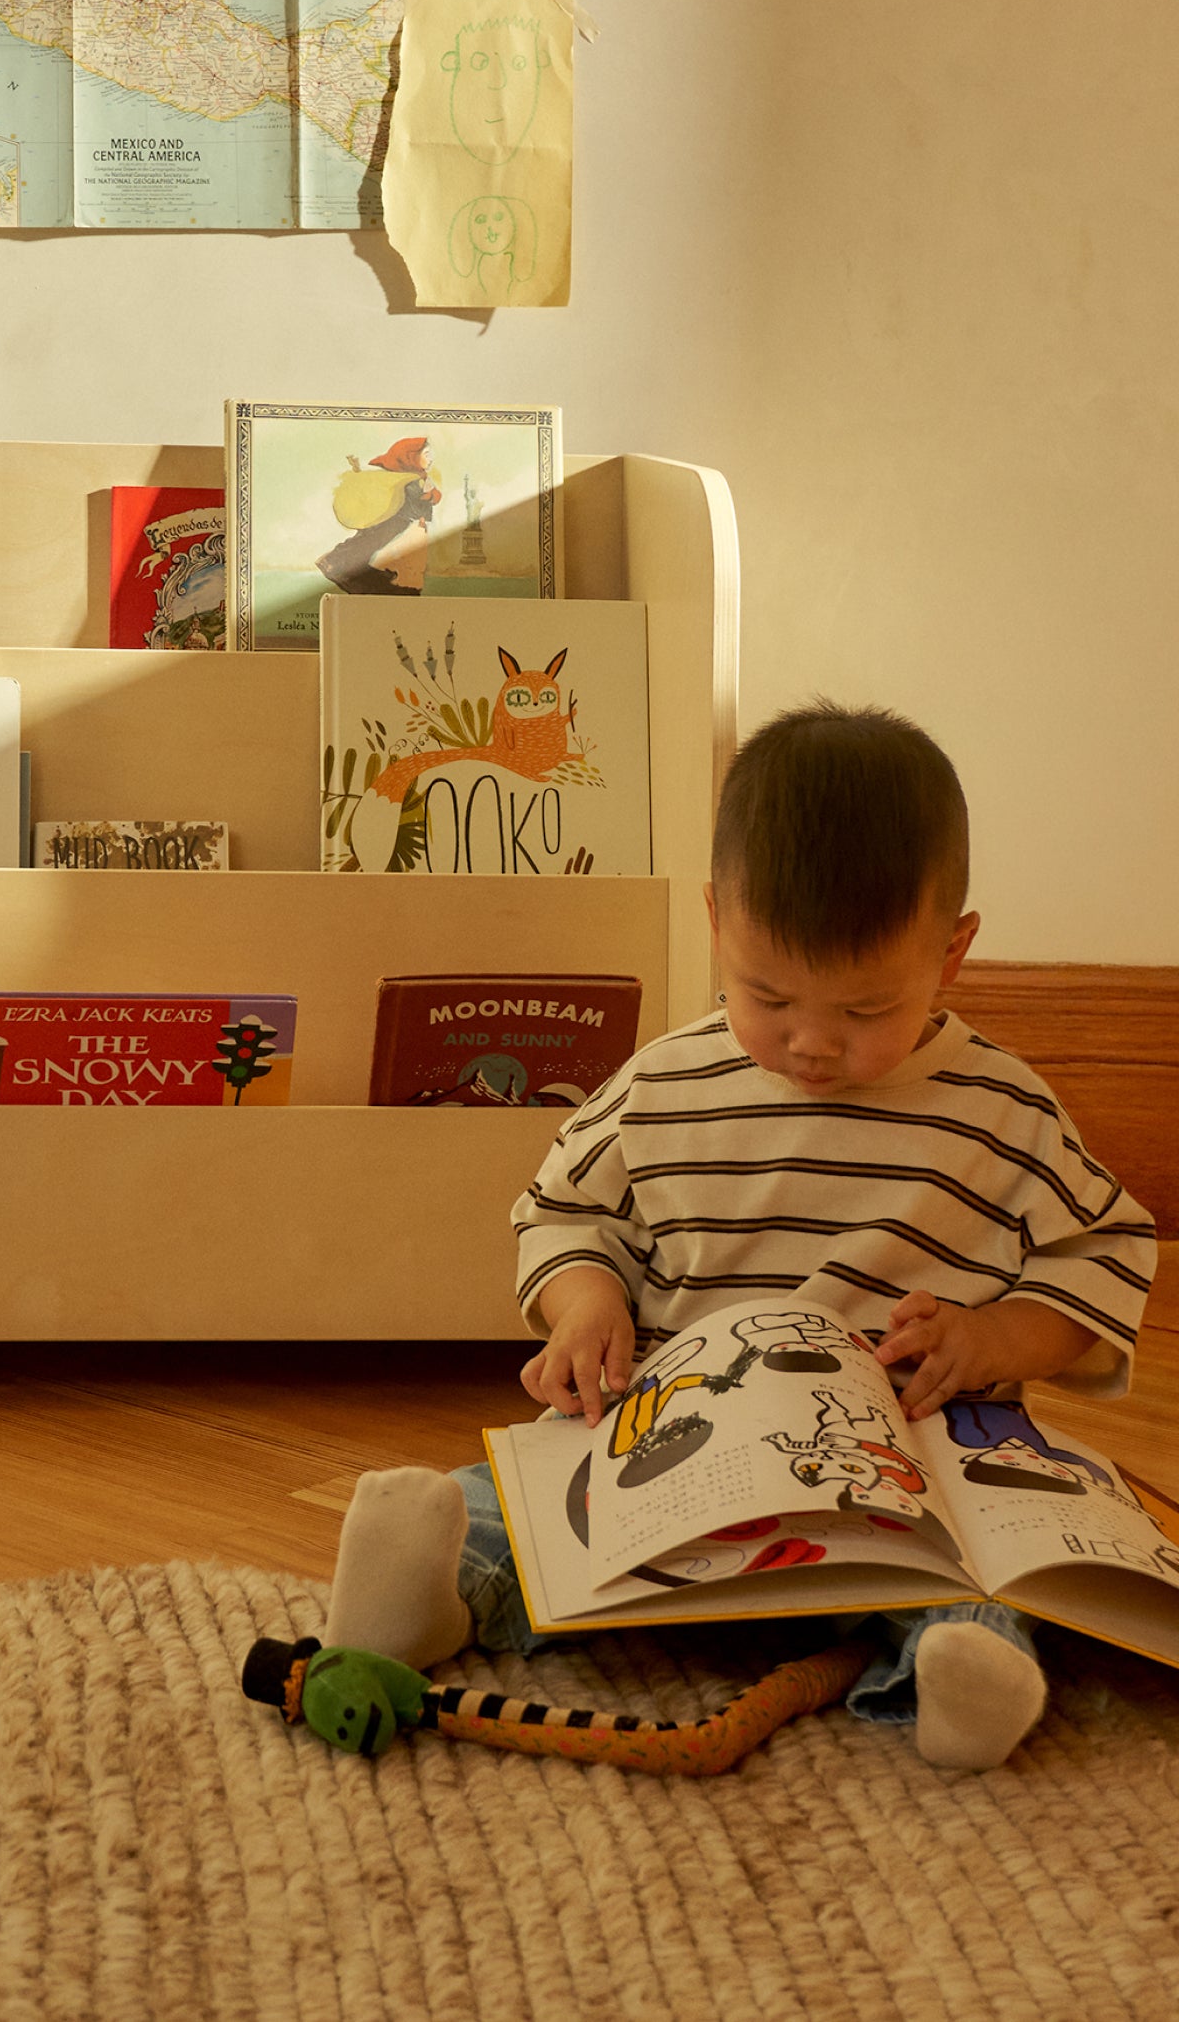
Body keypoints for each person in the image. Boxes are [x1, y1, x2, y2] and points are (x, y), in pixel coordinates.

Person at [322, 703, 1156, 1770]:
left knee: (981, 1567)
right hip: (673, 1450)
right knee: (523, 1501)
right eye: (768, 995)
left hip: (897, 1466)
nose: (811, 1041)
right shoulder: (662, 1084)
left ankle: (951, 1675)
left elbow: (1102, 1250)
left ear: (950, 953)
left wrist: (997, 1342)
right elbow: (567, 1210)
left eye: (864, 1008)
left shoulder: (999, 1111)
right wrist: (585, 1303)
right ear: (717, 921)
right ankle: (431, 1597)